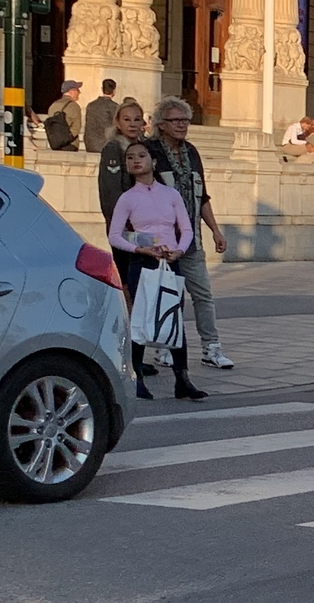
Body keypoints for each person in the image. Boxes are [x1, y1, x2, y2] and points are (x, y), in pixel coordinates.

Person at [106, 139, 204, 401]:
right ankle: (136, 376)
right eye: (130, 158)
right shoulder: (127, 198)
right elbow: (115, 235)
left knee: (174, 317)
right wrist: (139, 250)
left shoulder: (170, 194)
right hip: (144, 261)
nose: (136, 160)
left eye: (141, 156)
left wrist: (180, 250)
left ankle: (182, 378)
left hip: (171, 261)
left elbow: (186, 229)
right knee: (141, 318)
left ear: (153, 162)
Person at [146, 97, 233, 369]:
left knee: (203, 294)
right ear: (161, 124)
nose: (182, 125)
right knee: (167, 294)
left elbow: (202, 195)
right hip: (162, 240)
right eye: (175, 120)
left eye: (185, 120)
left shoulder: (191, 152)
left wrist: (215, 230)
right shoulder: (150, 151)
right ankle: (163, 347)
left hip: (191, 239)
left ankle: (211, 347)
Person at [96, 99, 148, 228]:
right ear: (118, 123)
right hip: (124, 223)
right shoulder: (113, 149)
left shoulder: (147, 147)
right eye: (127, 120)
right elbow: (110, 190)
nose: (132, 124)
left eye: (137, 120)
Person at [41, 80, 87, 151]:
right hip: (70, 145)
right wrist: (67, 138)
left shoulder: (53, 105)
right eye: (77, 90)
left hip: (55, 144)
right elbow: (76, 127)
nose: (79, 93)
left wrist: (57, 141)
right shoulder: (74, 106)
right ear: (71, 91)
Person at [83, 79, 120, 149]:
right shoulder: (114, 107)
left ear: (102, 89)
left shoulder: (91, 105)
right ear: (114, 90)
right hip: (106, 145)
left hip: (90, 144)